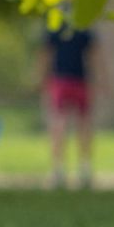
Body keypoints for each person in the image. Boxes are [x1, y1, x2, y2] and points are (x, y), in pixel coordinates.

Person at [40, 24, 95, 188]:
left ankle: (66, 169)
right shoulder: (81, 25)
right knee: (70, 125)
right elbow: (46, 54)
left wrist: (41, 78)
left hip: (70, 80)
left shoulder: (58, 25)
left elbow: (45, 55)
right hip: (69, 80)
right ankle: (69, 169)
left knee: (67, 124)